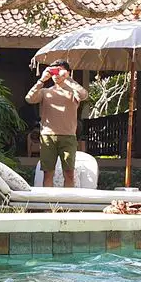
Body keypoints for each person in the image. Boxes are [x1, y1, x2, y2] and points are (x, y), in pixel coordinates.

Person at [25, 60, 89, 188]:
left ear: (67, 72)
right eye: (53, 71)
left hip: (68, 136)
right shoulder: (45, 91)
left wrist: (68, 79)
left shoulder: (73, 91)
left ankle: (67, 207)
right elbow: (29, 98)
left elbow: (84, 95)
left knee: (69, 173)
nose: (56, 75)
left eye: (59, 71)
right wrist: (42, 80)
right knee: (48, 174)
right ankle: (48, 207)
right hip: (48, 136)